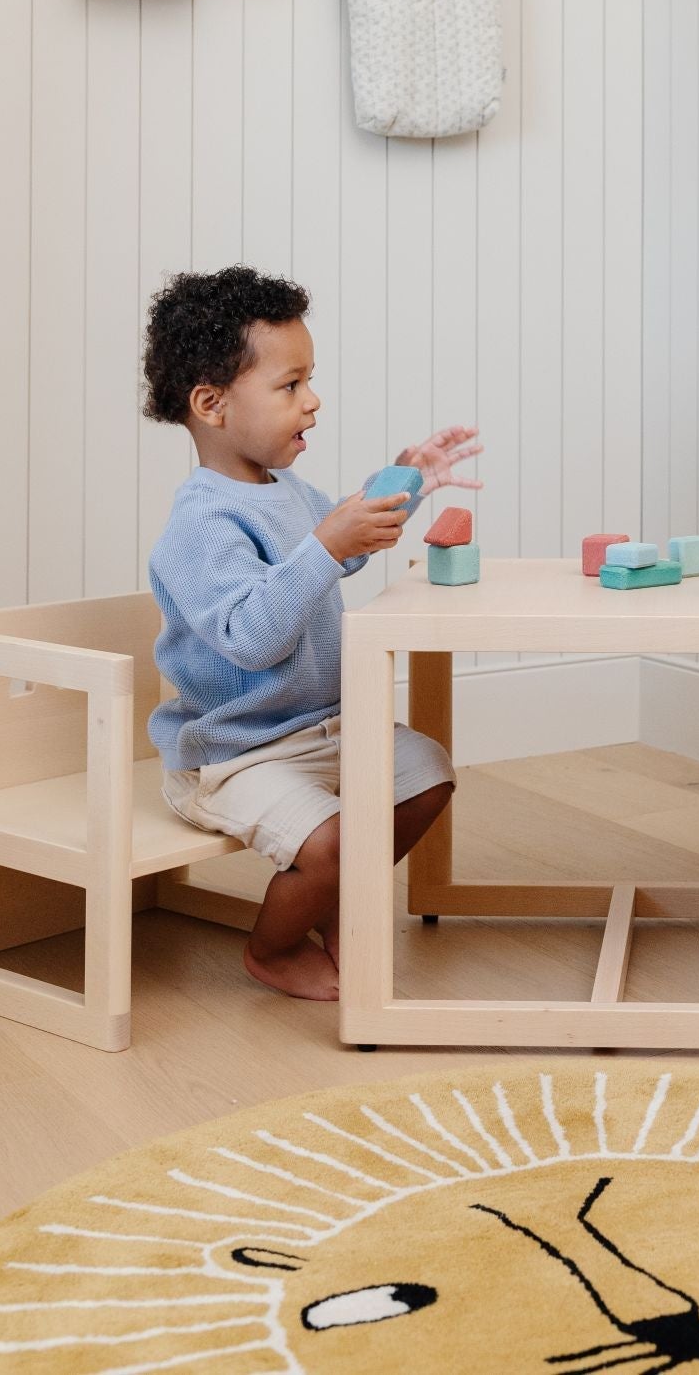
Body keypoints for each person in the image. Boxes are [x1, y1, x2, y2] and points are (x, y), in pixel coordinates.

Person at [142, 265, 482, 1002]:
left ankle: (334, 904)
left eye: (310, 381)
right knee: (327, 844)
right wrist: (326, 545)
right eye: (290, 385)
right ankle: (275, 946)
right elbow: (251, 635)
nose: (313, 401)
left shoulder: (285, 489)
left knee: (427, 773)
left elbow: (344, 546)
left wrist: (406, 477)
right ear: (212, 404)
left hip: (320, 728)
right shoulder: (200, 524)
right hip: (236, 752)